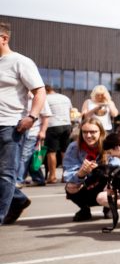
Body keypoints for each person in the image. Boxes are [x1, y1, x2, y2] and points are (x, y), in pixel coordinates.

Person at [0, 21, 46, 225]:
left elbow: (39, 91)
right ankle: (17, 200)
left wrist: (32, 117)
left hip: (10, 125)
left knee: (5, 173)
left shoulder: (20, 62)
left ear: (4, 38)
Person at [63, 117, 120, 222]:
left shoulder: (110, 145)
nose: (88, 135)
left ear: (101, 132)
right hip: (86, 184)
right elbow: (68, 175)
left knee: (115, 182)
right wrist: (81, 173)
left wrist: (100, 170)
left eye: (93, 132)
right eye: (85, 132)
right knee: (70, 186)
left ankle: (109, 206)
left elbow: (119, 169)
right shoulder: (73, 147)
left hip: (105, 185)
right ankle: (84, 209)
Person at [16, 95, 49, 187]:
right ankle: (39, 179)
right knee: (31, 158)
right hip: (18, 132)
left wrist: (43, 131)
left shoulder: (39, 97)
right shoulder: (18, 95)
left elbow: (46, 117)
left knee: (24, 156)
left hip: (33, 133)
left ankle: (19, 180)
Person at [43, 84, 72, 184]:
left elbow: (43, 114)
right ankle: (65, 176)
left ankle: (52, 176)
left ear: (45, 90)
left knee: (52, 152)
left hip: (53, 126)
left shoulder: (45, 98)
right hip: (67, 125)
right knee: (65, 151)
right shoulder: (65, 97)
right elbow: (70, 111)